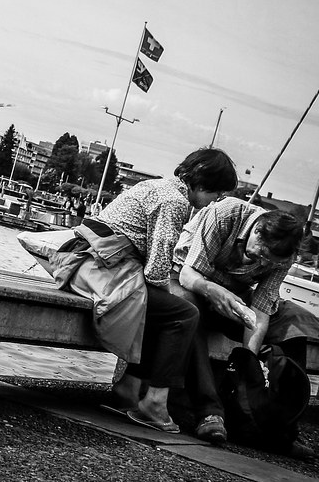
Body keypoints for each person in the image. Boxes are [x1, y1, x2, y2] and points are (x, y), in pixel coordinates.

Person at [48, 147, 237, 433]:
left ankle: (129, 387)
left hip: (87, 263)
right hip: (101, 272)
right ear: (201, 182)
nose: (216, 201)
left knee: (164, 307)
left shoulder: (157, 185)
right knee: (184, 314)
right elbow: (157, 269)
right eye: (217, 193)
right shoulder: (175, 202)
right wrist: (171, 293)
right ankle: (154, 403)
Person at [171, 197, 319, 458]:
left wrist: (247, 366)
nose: (260, 260)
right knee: (189, 310)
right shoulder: (224, 214)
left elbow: (261, 310)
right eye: (261, 252)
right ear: (258, 230)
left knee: (293, 324)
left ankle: (277, 426)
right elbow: (188, 273)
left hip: (232, 296)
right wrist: (213, 292)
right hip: (187, 283)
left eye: (269, 259)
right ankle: (210, 413)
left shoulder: (282, 257)